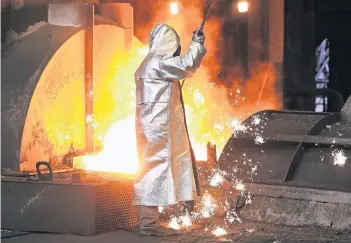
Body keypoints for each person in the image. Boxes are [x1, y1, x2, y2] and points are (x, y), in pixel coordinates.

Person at [133, 24, 207, 236]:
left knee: (151, 168)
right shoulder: (159, 62)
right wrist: (197, 43)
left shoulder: (145, 64)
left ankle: (151, 221)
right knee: (155, 169)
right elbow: (187, 64)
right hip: (158, 127)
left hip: (149, 126)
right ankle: (148, 224)